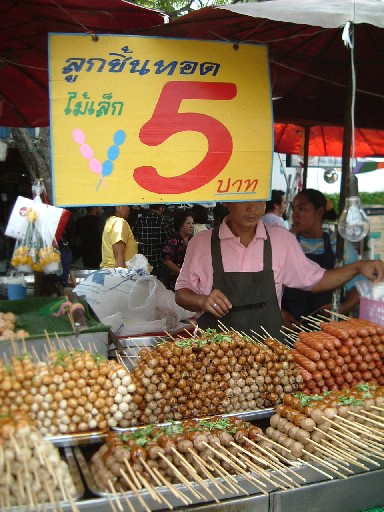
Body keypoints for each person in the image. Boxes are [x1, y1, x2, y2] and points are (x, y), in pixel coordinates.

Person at [174, 201, 384, 339]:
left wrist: (358, 267)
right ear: (227, 201)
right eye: (244, 200)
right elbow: (181, 293)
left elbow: (318, 280)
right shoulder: (201, 243)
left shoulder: (281, 240)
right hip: (214, 355)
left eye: (258, 200)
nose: (252, 208)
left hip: (269, 357)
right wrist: (202, 300)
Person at [281, 189, 362, 326]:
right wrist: (280, 312)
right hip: (291, 326)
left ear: (319, 212)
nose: (295, 215)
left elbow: (359, 285)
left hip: (329, 330)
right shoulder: (285, 243)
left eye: (302, 209)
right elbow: (267, 285)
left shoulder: (338, 245)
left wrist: (343, 307)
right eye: (294, 209)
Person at [132, 204, 173, 280]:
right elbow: (171, 239)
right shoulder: (163, 221)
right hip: (159, 263)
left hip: (143, 264)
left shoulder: (140, 220)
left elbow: (133, 237)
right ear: (161, 208)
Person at [162, 209, 194, 291]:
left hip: (190, 279)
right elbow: (166, 260)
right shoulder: (173, 240)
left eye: (192, 223)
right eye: (188, 223)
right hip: (174, 280)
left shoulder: (193, 240)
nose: (191, 226)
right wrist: (180, 272)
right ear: (180, 225)